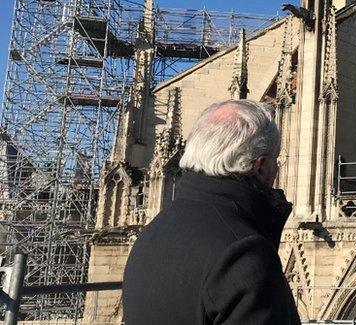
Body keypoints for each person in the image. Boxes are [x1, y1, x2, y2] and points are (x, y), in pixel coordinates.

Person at [122, 100, 301, 324]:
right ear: (261, 166)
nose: (277, 170)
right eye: (276, 161)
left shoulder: (151, 233)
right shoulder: (243, 254)